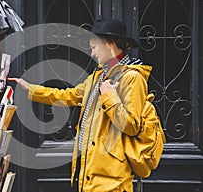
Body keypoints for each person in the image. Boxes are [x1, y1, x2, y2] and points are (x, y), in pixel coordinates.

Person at [9, 18, 152, 192]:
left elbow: (131, 126)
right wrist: (31, 90)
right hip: (89, 175)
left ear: (110, 44)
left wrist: (109, 96)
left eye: (94, 47)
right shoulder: (98, 76)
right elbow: (70, 95)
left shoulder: (132, 78)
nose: (92, 54)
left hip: (112, 181)